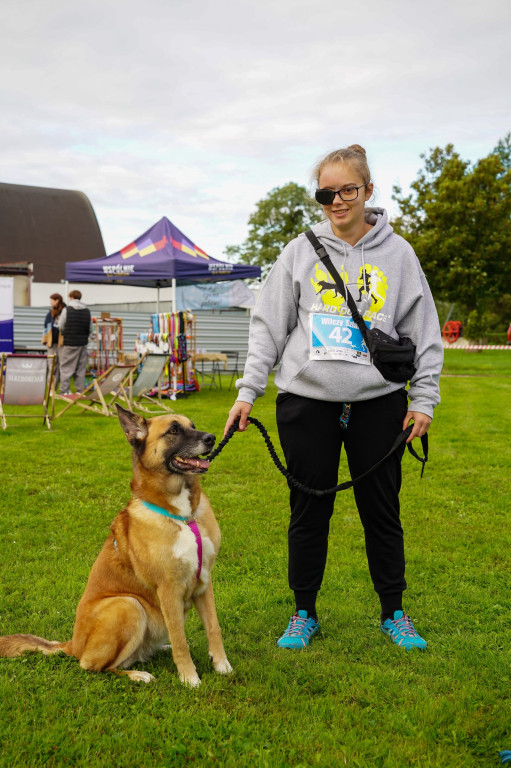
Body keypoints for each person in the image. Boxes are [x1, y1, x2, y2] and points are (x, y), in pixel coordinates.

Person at [224, 145, 443, 652]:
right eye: (327, 193)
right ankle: (304, 612)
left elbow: (425, 332)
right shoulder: (299, 250)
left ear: (368, 190)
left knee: (381, 512)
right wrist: (247, 391)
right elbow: (268, 327)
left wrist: (423, 399)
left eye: (348, 190)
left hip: (379, 403)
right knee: (308, 511)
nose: (338, 201)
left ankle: (394, 612)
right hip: (308, 403)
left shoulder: (399, 254)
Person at [58, 290, 92, 396]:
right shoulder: (87, 311)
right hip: (83, 343)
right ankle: (79, 391)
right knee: (80, 368)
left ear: (71, 297)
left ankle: (64, 391)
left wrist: (64, 333)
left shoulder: (66, 310)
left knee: (66, 367)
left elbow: (61, 326)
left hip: (70, 342)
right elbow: (90, 328)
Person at [42, 293, 66, 390]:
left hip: (62, 344)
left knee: (62, 365)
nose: (50, 302)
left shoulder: (65, 311)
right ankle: (51, 389)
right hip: (51, 344)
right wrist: (45, 340)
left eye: (51, 300)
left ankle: (63, 389)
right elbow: (45, 327)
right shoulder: (50, 313)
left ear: (57, 300)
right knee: (52, 365)